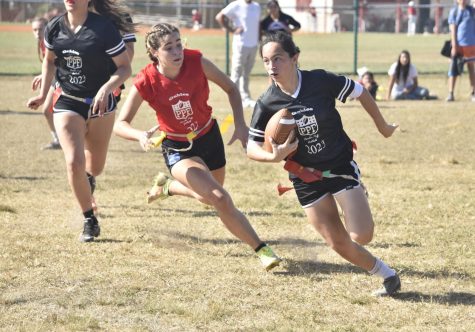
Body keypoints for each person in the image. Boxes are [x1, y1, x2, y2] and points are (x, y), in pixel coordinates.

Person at [113, 23, 282, 271]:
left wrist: (240, 125)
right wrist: (139, 135)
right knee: (220, 198)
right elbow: (121, 124)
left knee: (211, 197)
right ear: (153, 51)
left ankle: (168, 187)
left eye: (179, 44)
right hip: (177, 147)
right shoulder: (146, 80)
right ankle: (262, 250)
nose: (176, 51)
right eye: (168, 47)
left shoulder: (197, 61)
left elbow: (231, 88)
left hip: (209, 137)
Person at [247, 31, 401, 296]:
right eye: (266, 60)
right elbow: (251, 146)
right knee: (336, 241)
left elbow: (361, 92)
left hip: (338, 165)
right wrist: (272, 156)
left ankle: (355, 192)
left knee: (361, 236)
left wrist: (383, 127)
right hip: (304, 176)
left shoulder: (320, 81)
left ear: (294, 57)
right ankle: (386, 275)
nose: (272, 66)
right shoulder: (267, 102)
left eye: (278, 58)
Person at [26, 0, 134, 243]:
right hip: (67, 101)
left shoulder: (103, 28)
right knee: (74, 162)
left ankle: (88, 180)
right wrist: (44, 94)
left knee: (93, 168)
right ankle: (89, 219)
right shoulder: (54, 27)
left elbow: (125, 68)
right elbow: (50, 61)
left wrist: (107, 88)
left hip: (100, 104)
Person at [216, 0, 261, 109]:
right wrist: (232, 29)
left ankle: (245, 98)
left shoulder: (257, 6)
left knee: (246, 74)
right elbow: (219, 17)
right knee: (236, 72)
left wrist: (259, 39)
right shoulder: (236, 5)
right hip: (241, 44)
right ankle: (233, 97)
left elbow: (258, 24)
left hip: (253, 44)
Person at [31, 17, 61, 150]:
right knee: (48, 111)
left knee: (49, 110)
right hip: (56, 78)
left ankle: (63, 140)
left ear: (47, 27)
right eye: (35, 30)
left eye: (40, 29)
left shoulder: (54, 40)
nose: (37, 32)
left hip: (65, 79)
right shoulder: (42, 43)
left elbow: (62, 63)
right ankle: (58, 140)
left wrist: (44, 75)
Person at [446, 0, 475, 102]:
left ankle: (473, 92)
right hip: (459, 45)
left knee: (471, 69)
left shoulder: (471, 11)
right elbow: (453, 29)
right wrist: (454, 45)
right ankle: (451, 93)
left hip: (471, 44)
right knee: (454, 70)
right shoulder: (455, 12)